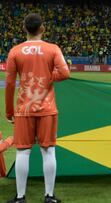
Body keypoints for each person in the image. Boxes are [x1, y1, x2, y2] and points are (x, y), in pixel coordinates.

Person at [5, 13, 70, 203]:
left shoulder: (15, 51)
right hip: (47, 108)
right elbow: (65, 73)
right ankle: (49, 196)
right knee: (48, 151)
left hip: (24, 108)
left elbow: (9, 85)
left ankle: (20, 197)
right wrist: (49, 77)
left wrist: (9, 111)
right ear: (42, 28)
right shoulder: (53, 49)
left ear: (24, 28)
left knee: (22, 151)